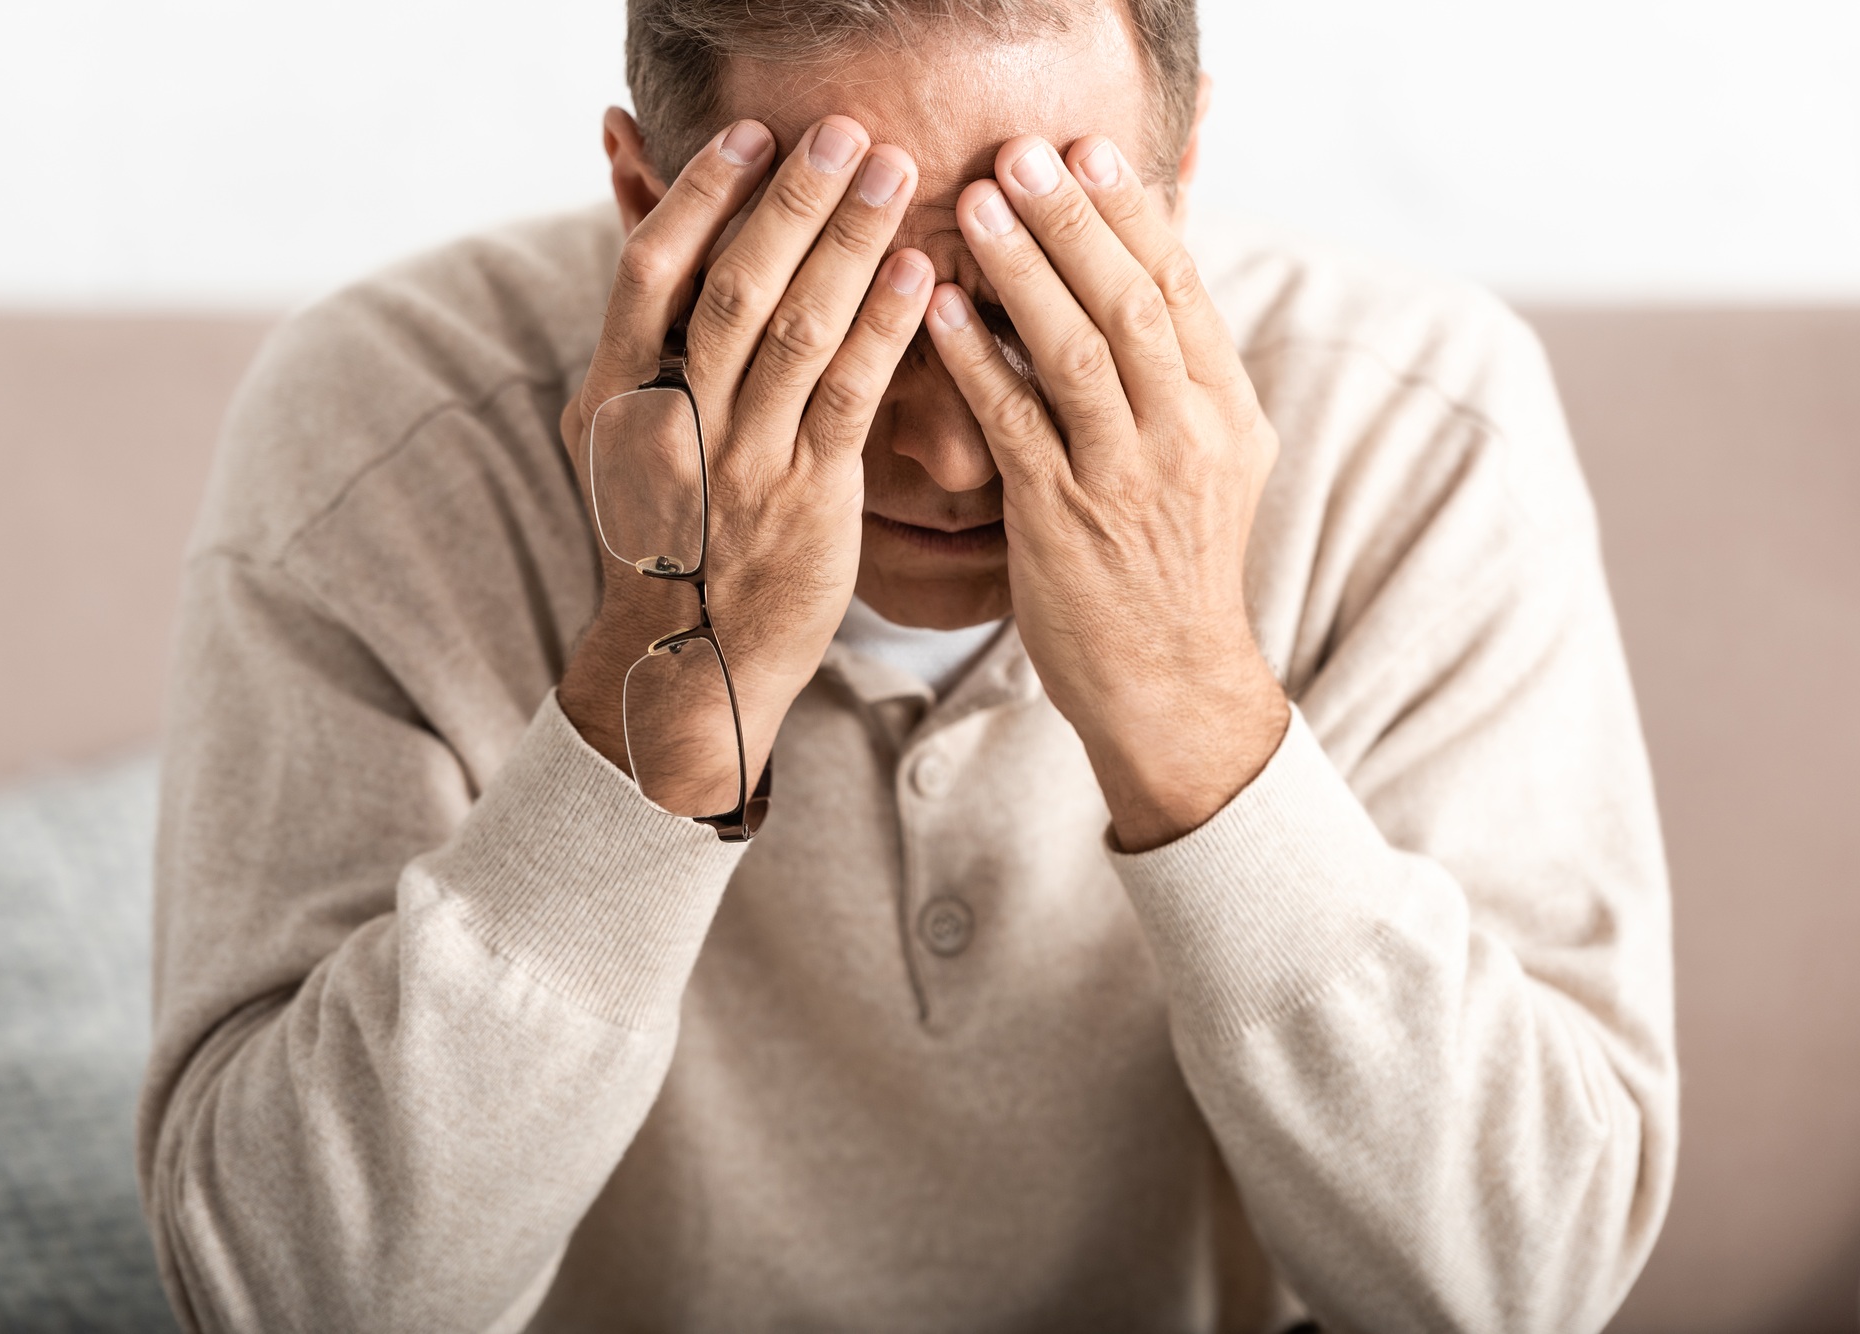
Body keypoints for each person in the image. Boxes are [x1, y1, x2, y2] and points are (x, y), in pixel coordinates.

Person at [137, 0, 1678, 1329]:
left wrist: (1193, 703)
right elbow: (293, 1294)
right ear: (643, 201)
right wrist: (669, 680)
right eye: (839, 307)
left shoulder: (1421, 429)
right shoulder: (378, 433)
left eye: (1030, 299)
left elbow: (1519, 1285)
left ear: (1184, 177)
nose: (947, 452)